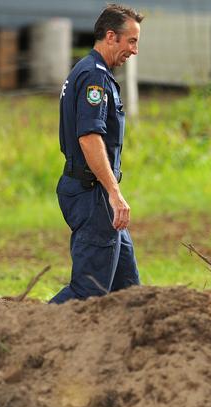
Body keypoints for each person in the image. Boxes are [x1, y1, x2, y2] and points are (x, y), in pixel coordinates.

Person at [50, 4, 143, 304]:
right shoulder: (94, 77)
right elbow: (89, 138)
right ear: (111, 36)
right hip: (92, 195)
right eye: (131, 41)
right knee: (87, 294)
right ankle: (18, 336)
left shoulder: (91, 70)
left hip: (97, 195)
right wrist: (114, 194)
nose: (134, 50)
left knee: (128, 295)